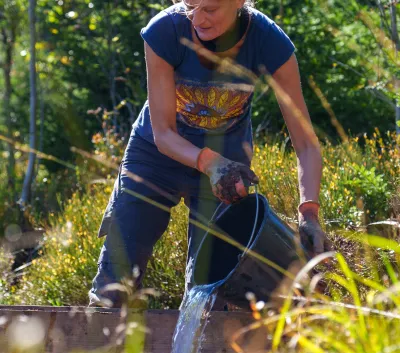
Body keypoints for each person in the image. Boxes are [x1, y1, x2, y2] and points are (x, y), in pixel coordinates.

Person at [88, 0, 329, 308]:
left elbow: (306, 143)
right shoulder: (166, 31)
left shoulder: (268, 41)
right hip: (155, 156)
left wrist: (309, 212)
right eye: (190, 6)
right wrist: (209, 162)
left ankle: (196, 352)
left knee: (208, 293)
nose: (197, 19)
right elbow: (163, 134)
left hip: (227, 165)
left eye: (211, 9)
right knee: (116, 278)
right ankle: (101, 344)